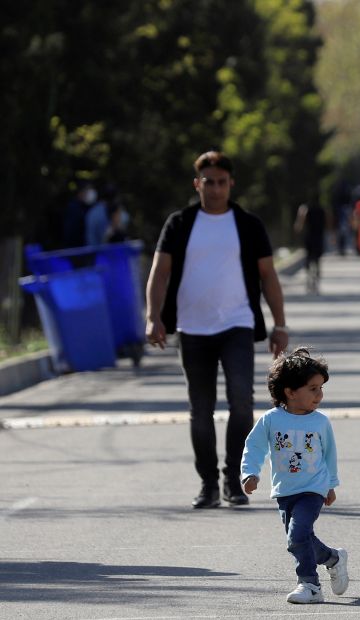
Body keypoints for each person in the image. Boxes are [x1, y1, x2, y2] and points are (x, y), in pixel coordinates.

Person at [145, 150, 288, 509]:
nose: (215, 188)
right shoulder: (180, 223)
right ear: (198, 184)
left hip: (237, 324)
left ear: (231, 184)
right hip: (192, 328)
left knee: (242, 402)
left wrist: (279, 324)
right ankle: (208, 483)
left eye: (222, 182)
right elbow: (160, 272)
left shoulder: (247, 224)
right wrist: (153, 315)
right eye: (208, 182)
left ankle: (233, 479)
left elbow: (268, 276)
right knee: (201, 408)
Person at [241, 347, 348, 604]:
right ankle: (333, 558)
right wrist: (250, 473)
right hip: (284, 490)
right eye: (313, 389)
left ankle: (309, 584)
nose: (319, 395)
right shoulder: (271, 420)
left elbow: (329, 455)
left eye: (321, 388)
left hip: (313, 488)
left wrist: (331, 485)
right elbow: (254, 446)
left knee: (297, 536)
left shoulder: (320, 422)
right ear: (290, 392)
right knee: (303, 538)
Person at [294, 198, 328, 295]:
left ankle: (309, 279)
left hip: (309, 237)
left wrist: (298, 229)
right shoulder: (322, 209)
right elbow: (328, 221)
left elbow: (299, 224)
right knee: (317, 260)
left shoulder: (304, 209)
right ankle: (316, 279)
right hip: (319, 237)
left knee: (309, 258)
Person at [62, 182, 94, 249]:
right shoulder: (73, 208)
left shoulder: (86, 207)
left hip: (83, 248)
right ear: (81, 192)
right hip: (75, 249)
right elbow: (71, 232)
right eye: (88, 190)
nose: (90, 193)